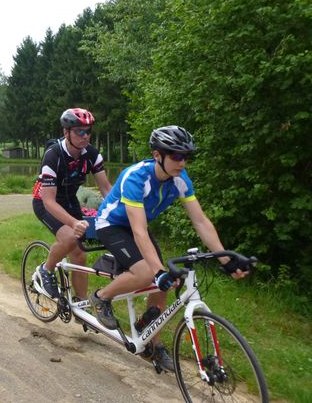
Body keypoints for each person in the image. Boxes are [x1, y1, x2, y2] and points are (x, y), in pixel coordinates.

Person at [89, 125, 250, 371]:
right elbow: (138, 231)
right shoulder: (136, 177)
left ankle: (153, 343)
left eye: (185, 156)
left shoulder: (180, 180)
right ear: (157, 155)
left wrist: (225, 261)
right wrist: (156, 271)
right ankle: (100, 298)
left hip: (137, 225)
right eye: (175, 156)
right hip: (111, 224)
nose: (182, 162)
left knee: (166, 279)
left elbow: (201, 221)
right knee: (148, 273)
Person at [32, 108, 112, 301]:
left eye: (88, 131)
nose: (85, 136)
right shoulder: (53, 155)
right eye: (79, 131)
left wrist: (121, 212)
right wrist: (73, 223)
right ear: (66, 132)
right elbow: (49, 201)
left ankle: (81, 304)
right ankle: (45, 270)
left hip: (69, 201)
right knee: (69, 238)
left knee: (80, 255)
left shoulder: (92, 155)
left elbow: (106, 188)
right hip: (45, 201)